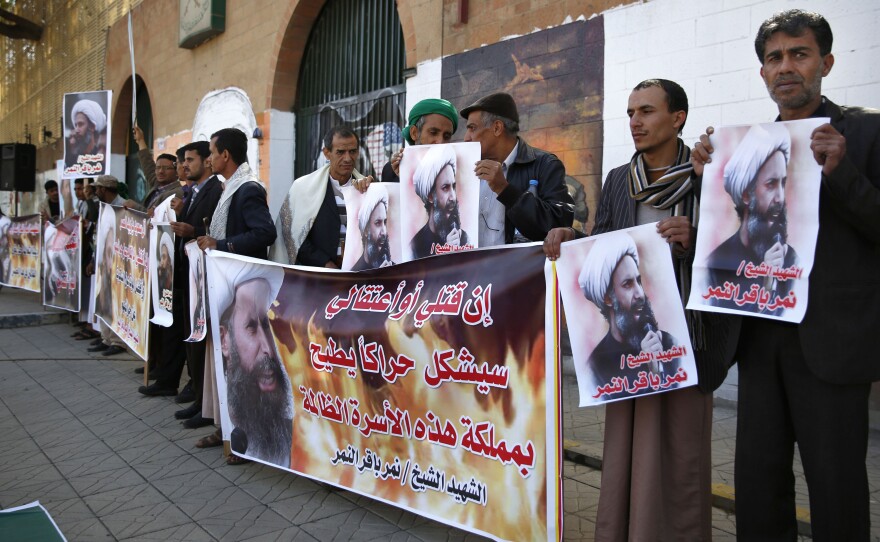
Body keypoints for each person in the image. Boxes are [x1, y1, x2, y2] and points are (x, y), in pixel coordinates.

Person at [691, 10, 880, 540]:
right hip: (758, 339)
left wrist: (842, 173)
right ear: (763, 74)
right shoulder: (746, 148)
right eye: (774, 58)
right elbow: (725, 234)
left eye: (799, 54)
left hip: (831, 341)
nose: (786, 67)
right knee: (757, 483)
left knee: (837, 486)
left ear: (827, 61)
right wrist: (708, 180)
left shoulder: (864, 132)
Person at [545, 79, 734, 540]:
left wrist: (696, 241)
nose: (635, 122)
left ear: (678, 118)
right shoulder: (617, 180)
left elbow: (733, 255)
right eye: (631, 113)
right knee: (626, 453)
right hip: (627, 356)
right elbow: (601, 244)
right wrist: (572, 238)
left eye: (647, 112)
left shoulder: (707, 177)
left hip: (687, 342)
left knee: (682, 456)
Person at [194, 128, 276, 460]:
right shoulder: (231, 189)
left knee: (241, 369)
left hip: (241, 292)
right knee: (226, 367)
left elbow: (264, 233)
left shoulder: (248, 190)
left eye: (212, 153)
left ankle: (243, 439)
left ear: (225, 155)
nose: (209, 158)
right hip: (226, 292)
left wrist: (222, 245)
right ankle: (227, 428)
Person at [705, 123, 797, 315]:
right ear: (746, 193)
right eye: (771, 184)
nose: (780, 197)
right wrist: (766, 281)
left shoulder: (793, 260)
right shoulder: (713, 265)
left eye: (783, 183)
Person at [461, 92, 574, 247]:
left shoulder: (545, 165)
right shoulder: (465, 168)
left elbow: (558, 225)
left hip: (516, 269)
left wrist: (505, 190)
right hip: (470, 268)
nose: (467, 137)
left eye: (472, 128)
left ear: (497, 128)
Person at [578, 232, 680, 392]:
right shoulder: (596, 365)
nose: (640, 294)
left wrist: (657, 368)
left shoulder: (669, 344)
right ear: (607, 298)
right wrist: (646, 367)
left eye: (638, 281)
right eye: (628, 284)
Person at [215, 259, 293, 467]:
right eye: (251, 327)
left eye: (266, 325)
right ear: (225, 340)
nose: (268, 347)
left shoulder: (299, 437)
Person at [170, 141, 222, 426]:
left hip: (205, 274)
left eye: (191, 159)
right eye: (184, 160)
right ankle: (198, 396)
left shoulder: (215, 190)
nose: (185, 165)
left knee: (203, 340)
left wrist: (195, 230)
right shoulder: (192, 191)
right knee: (193, 337)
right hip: (189, 273)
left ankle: (206, 404)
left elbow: (216, 229)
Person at [270, 126, 373, 267]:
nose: (348, 158)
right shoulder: (303, 188)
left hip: (359, 273)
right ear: (327, 153)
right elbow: (293, 236)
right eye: (340, 152)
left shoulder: (368, 188)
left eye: (353, 152)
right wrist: (325, 263)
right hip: (317, 277)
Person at [87, 177, 128, 357]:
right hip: (103, 260)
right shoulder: (103, 207)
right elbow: (100, 237)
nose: (96, 192)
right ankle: (106, 338)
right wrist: (94, 259)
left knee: (115, 303)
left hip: (118, 263)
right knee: (103, 300)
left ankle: (118, 342)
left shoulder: (124, 207)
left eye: (98, 189)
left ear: (104, 189)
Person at [409, 144, 469, 258]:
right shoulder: (415, 247)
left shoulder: (465, 239)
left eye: (453, 187)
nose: (453, 197)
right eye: (445, 188)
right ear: (431, 196)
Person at [382, 98, 459, 182]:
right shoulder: (392, 171)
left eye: (447, 136)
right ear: (414, 133)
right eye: (433, 133)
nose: (440, 142)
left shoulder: (458, 171)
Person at [128, 126, 185, 213]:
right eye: (157, 168)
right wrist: (140, 140)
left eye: (166, 168)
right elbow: (147, 164)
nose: (160, 171)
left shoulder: (177, 193)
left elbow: (158, 218)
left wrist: (135, 207)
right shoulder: (157, 184)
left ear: (176, 171)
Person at [352, 184, 393, 270]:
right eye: (378, 223)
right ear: (366, 230)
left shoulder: (395, 269)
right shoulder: (355, 273)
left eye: (384, 222)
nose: (384, 232)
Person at [66, 98, 107, 169]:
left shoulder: (100, 156)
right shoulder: (72, 159)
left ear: (92, 127)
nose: (76, 130)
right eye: (75, 125)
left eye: (80, 124)